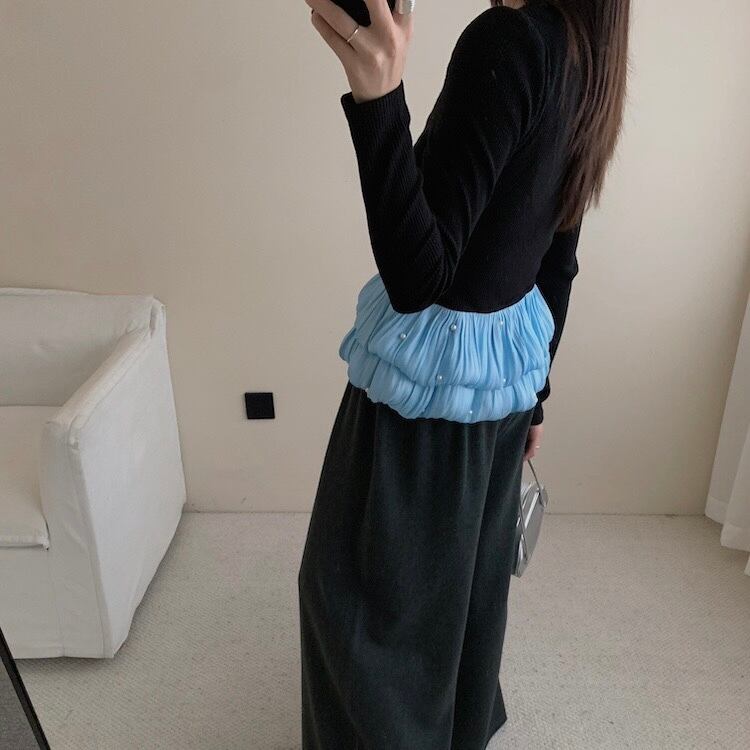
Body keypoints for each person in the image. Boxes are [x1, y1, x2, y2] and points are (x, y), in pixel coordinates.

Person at [298, 0, 630, 747]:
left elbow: (420, 277)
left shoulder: (507, 41)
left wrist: (379, 99)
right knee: (465, 589)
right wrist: (535, 398)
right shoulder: (584, 48)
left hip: (434, 392)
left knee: (352, 599)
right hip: (504, 379)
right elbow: (558, 257)